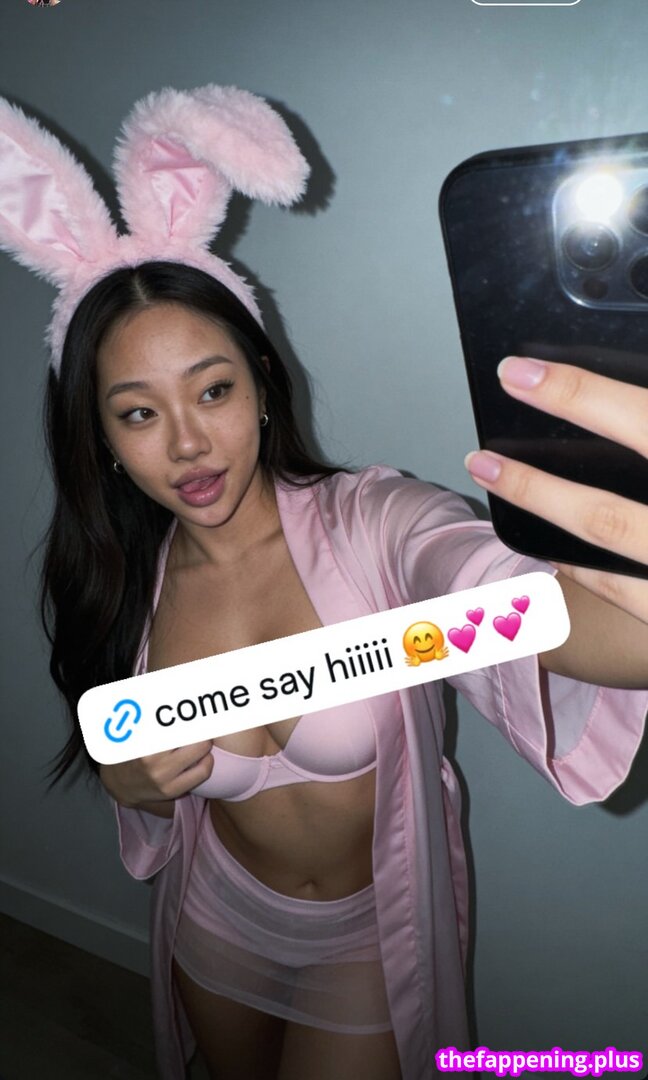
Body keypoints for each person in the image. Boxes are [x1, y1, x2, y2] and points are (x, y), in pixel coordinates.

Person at [0, 86, 646, 1080]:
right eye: (138, 414)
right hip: (214, 922)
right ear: (103, 437)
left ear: (263, 382)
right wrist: (129, 779)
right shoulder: (123, 579)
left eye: (214, 389)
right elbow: (147, 781)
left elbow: (509, 602)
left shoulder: (376, 524)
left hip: (362, 944)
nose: (187, 443)